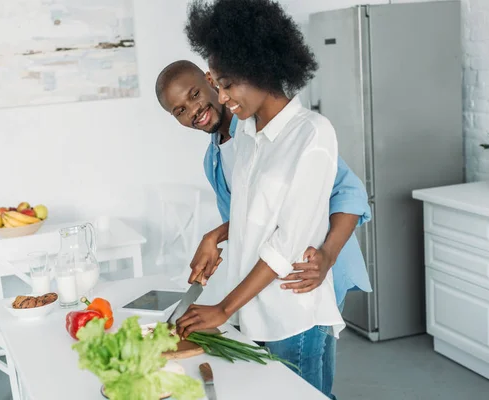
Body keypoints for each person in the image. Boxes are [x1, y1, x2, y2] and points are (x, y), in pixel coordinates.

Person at [159, 0, 374, 398]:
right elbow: (255, 214)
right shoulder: (245, 136)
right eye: (179, 110)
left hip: (297, 294)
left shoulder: (309, 133)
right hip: (258, 303)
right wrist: (219, 235)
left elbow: (328, 206)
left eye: (213, 88)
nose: (211, 102)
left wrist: (326, 255)